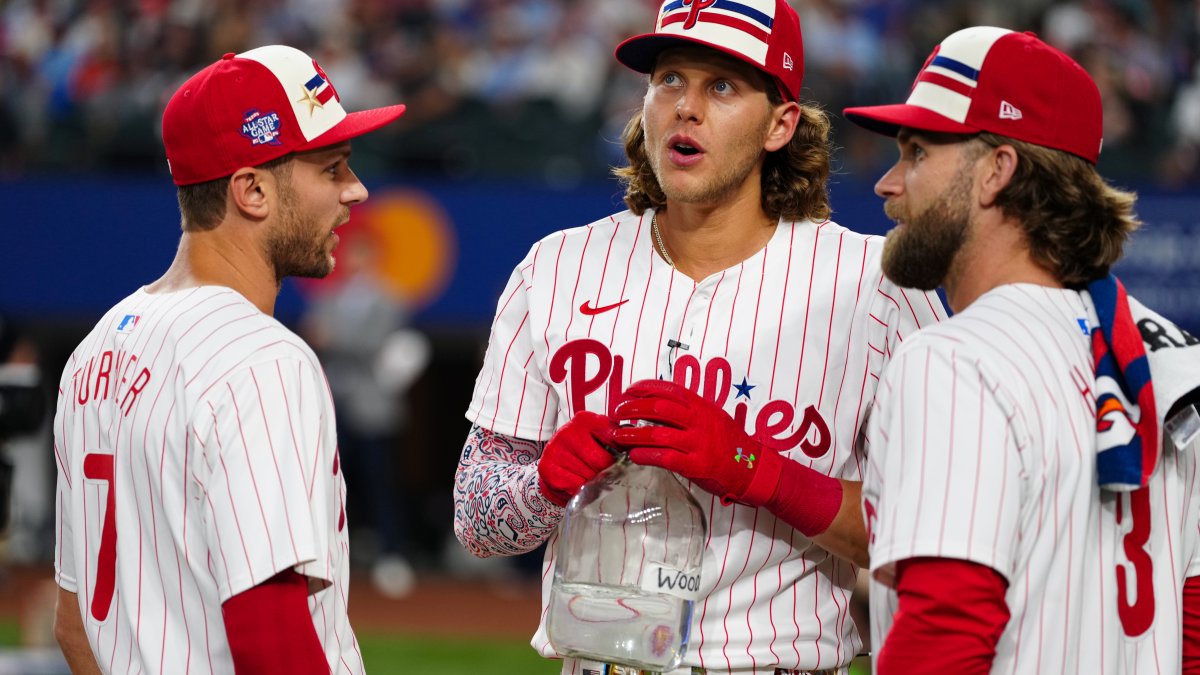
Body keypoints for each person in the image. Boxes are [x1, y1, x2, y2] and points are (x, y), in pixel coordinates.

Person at [453, 1, 946, 673]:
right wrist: (541, 483)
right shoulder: (556, 267)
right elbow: (475, 518)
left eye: (721, 86)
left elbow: (936, 534)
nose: (686, 107)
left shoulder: (877, 287)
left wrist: (756, 469)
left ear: (781, 124)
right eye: (670, 80)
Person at [843, 26, 1200, 673]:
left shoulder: (954, 359)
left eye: (918, 152)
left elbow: (945, 633)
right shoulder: (1172, 357)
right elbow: (1193, 621)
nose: (888, 183)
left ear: (996, 172)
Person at [51, 45, 405, 674]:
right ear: (252, 190)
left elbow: (75, 626)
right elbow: (271, 644)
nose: (356, 190)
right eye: (331, 168)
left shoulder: (95, 349)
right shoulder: (263, 359)